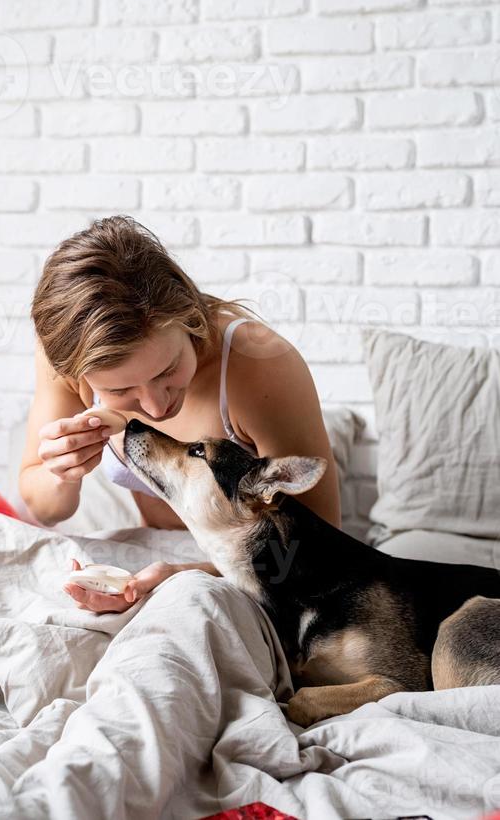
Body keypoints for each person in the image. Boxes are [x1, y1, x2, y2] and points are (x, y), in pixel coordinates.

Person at [19, 215, 341, 614]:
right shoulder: (66, 355)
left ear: (188, 316)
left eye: (168, 371)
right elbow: (49, 510)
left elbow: (320, 552)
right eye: (119, 392)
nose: (156, 408)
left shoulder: (258, 364)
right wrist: (63, 471)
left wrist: (187, 574)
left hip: (259, 577)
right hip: (150, 554)